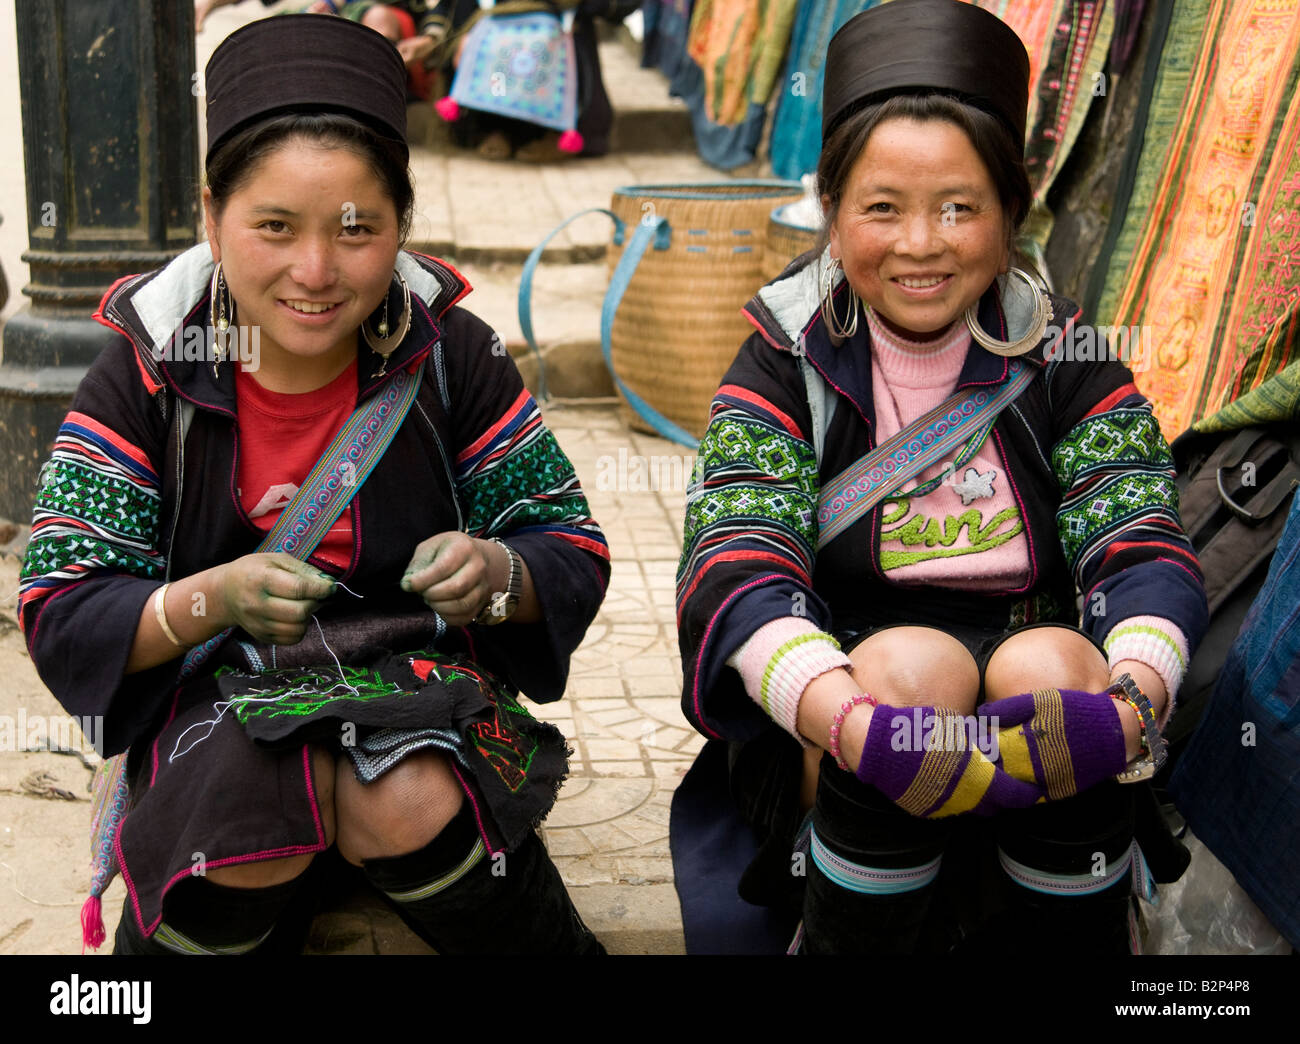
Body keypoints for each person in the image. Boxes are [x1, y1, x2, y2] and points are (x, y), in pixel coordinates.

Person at [18, 15, 609, 955]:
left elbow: (566, 544)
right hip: (219, 697)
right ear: (212, 216)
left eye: (357, 230)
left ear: (401, 224)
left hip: (421, 685)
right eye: (274, 227)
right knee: (241, 817)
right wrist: (211, 599)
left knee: (405, 789)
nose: (316, 272)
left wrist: (497, 572)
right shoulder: (147, 367)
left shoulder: (451, 353)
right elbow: (61, 605)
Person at [674, 0, 1208, 955]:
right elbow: (738, 562)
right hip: (849, 700)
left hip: (1036, 690)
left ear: (1011, 212)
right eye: (882, 207)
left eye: (960, 207)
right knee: (908, 671)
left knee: (1052, 675)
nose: (921, 244)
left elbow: (1139, 540)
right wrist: (850, 719)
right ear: (831, 209)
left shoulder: (1069, 351)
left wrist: (1128, 698)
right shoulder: (781, 360)